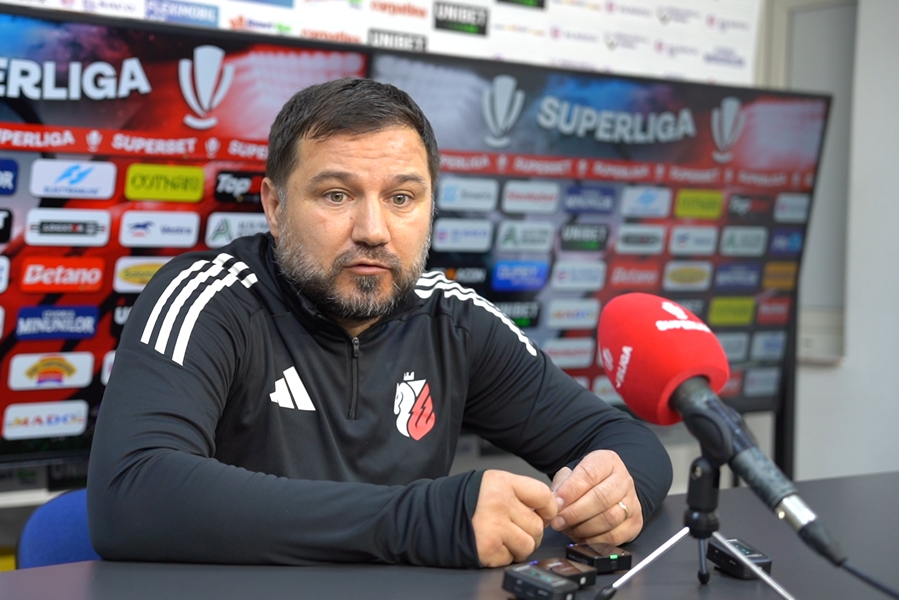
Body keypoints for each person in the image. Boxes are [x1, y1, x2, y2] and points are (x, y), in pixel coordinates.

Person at [87, 78, 672, 568]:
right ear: (274, 205)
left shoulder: (455, 321)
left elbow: (626, 443)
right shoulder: (209, 298)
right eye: (337, 195)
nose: (373, 230)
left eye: (401, 198)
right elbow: (130, 494)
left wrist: (616, 494)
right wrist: (423, 521)